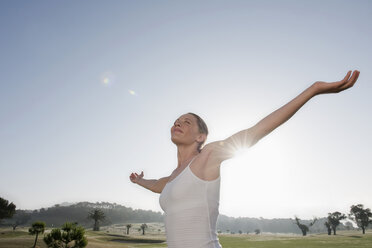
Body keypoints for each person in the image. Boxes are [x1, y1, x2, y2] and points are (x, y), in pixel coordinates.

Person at [129, 70, 360, 248]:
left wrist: (314, 89)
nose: (178, 122)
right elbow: (158, 185)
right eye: (177, 120)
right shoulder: (174, 177)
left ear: (201, 136)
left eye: (186, 121)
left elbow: (255, 132)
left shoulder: (207, 157)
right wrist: (140, 181)